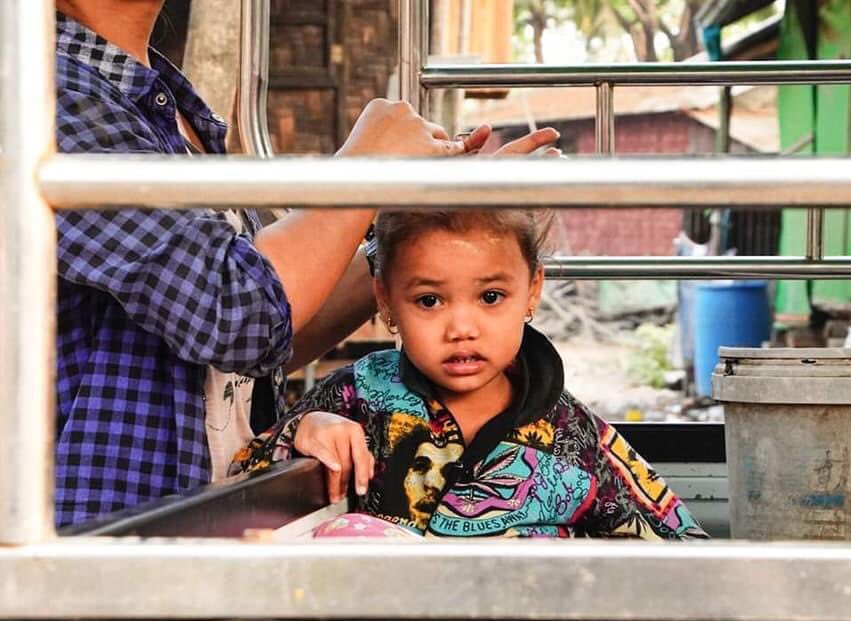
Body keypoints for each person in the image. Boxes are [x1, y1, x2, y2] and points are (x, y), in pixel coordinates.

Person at [54, 0, 559, 528]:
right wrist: (364, 172)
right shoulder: (44, 97)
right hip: (108, 541)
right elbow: (236, 312)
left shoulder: (162, 105)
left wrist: (435, 244)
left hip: (214, 521)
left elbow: (265, 341)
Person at [231, 210, 708, 539]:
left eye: (491, 297)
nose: (462, 328)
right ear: (385, 299)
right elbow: (242, 479)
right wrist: (306, 430)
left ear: (532, 290)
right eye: (429, 301)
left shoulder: (574, 435)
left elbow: (676, 540)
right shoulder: (358, 395)